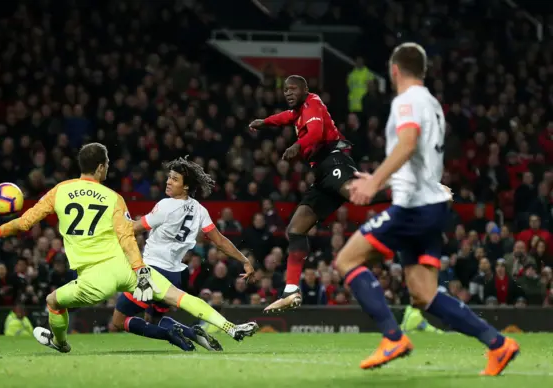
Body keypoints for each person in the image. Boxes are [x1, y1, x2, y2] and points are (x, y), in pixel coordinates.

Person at [334, 42, 519, 375]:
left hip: (413, 209)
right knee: (424, 295)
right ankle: (498, 344)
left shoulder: (407, 101)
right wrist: (386, 182)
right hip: (432, 206)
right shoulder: (432, 104)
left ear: (394, 70)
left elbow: (406, 144)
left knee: (347, 259)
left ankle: (393, 337)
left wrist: (375, 182)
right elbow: (418, 159)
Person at [0, 143, 258, 353]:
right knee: (179, 297)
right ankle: (230, 328)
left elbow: (26, 222)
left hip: (95, 276)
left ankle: (61, 343)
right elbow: (127, 237)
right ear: (102, 167)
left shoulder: (59, 191)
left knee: (53, 301)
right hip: (128, 267)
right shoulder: (114, 198)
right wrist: (140, 271)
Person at [248, 75, 390, 312]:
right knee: (296, 229)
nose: (288, 92)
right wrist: (265, 122)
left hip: (335, 159)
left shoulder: (313, 103)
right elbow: (284, 117)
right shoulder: (298, 111)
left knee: (358, 195)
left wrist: (296, 145)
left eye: (293, 88)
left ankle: (418, 191)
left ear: (305, 89)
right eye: (285, 89)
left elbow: (315, 133)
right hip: (322, 174)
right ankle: (291, 291)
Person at [112, 156, 255, 351]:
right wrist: (244, 260)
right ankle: (191, 333)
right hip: (174, 275)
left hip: (150, 271)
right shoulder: (199, 210)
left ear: (186, 186)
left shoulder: (165, 205)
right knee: (153, 318)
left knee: (118, 321)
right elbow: (220, 241)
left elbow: (133, 229)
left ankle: (173, 335)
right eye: (169, 177)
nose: (169, 182)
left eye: (175, 179)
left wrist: (117, 220)